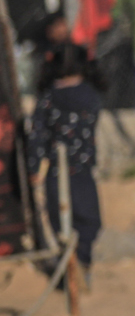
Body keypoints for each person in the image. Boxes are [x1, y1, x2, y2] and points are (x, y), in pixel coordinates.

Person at [28, 42, 102, 280]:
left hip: (58, 174)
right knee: (88, 222)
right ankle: (79, 265)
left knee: (63, 226)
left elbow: (37, 135)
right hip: (81, 172)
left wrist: (33, 167)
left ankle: (74, 268)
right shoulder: (89, 95)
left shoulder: (49, 97)